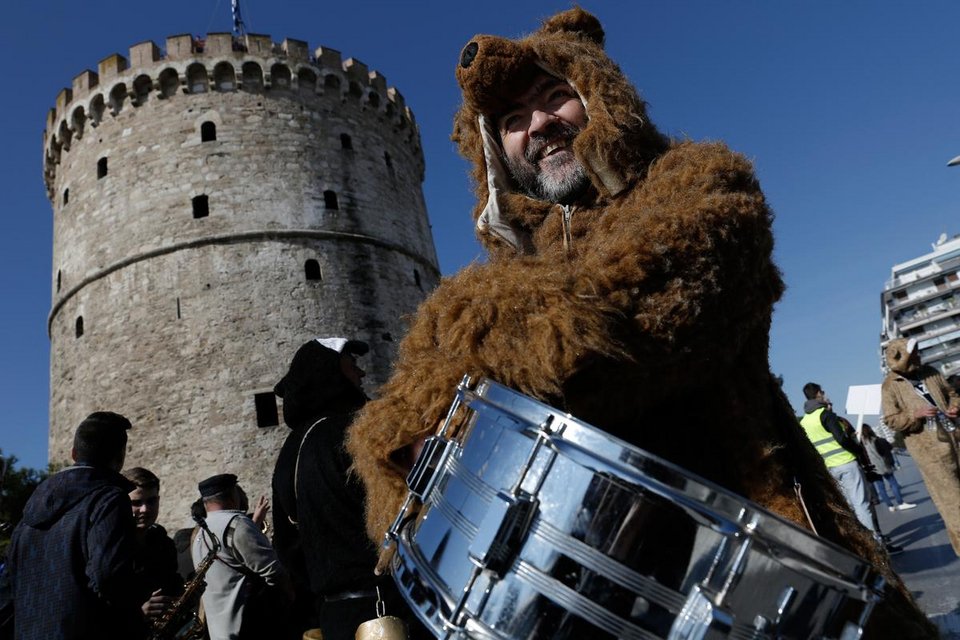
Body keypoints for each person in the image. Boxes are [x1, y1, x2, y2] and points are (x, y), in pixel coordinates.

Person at [346, 8, 934, 639]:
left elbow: (615, 331)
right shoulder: (506, 272)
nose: (538, 125)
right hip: (588, 599)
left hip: (767, 568)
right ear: (495, 155)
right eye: (512, 122)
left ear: (599, 97)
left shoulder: (700, 184)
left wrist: (460, 336)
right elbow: (400, 438)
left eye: (554, 97)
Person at [272, 338, 427, 640]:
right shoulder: (357, 433)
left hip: (335, 617)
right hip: (390, 610)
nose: (362, 374)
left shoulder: (289, 454)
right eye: (352, 364)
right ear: (329, 371)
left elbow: (288, 548)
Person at [5, 412, 147, 639]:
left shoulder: (28, 514)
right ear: (120, 458)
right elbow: (109, 577)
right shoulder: (108, 500)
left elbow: (12, 582)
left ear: (73, 453)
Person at [799, 384, 901, 554]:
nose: (824, 395)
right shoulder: (826, 415)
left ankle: (862, 544)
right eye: (822, 392)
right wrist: (857, 448)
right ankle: (877, 546)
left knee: (850, 508)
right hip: (847, 463)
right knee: (862, 505)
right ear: (818, 394)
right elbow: (841, 439)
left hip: (830, 468)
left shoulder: (805, 421)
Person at [881, 337, 960, 556]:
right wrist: (915, 414)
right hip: (929, 452)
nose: (918, 354)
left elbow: (953, 394)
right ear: (902, 356)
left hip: (955, 439)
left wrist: (954, 407)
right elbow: (890, 420)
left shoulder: (931, 372)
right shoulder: (890, 386)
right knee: (952, 500)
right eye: (914, 351)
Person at [192, 473, 293, 640]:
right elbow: (274, 572)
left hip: (220, 633)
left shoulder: (199, 533)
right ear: (233, 494)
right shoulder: (237, 523)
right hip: (248, 628)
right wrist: (290, 598)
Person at [122, 467, 184, 622]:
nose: (145, 509)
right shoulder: (110, 546)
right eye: (136, 503)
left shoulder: (164, 543)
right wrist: (138, 614)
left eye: (151, 501)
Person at [859, 424, 916, 513]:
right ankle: (900, 503)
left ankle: (890, 506)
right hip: (883, 465)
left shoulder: (862, 443)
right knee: (893, 483)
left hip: (873, 468)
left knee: (881, 488)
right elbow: (886, 450)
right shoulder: (875, 440)